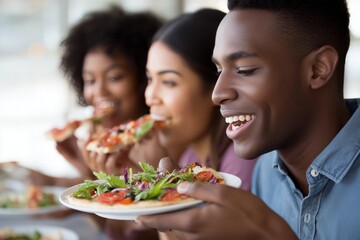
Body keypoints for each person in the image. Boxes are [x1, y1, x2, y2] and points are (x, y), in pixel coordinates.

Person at [137, 0, 360, 239]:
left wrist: (268, 233)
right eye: (219, 71)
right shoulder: (265, 171)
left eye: (244, 69)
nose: (218, 94)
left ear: (318, 68)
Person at [25, 6, 165, 187]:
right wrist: (84, 170)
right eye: (90, 80)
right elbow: (99, 211)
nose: (99, 91)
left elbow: (136, 212)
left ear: (145, 78)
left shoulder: (161, 140)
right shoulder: (97, 138)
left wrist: (102, 180)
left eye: (114, 77)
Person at [144, 8, 257, 190]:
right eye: (150, 79)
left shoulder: (241, 166)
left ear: (215, 87)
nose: (150, 97)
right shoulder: (191, 159)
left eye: (168, 82)